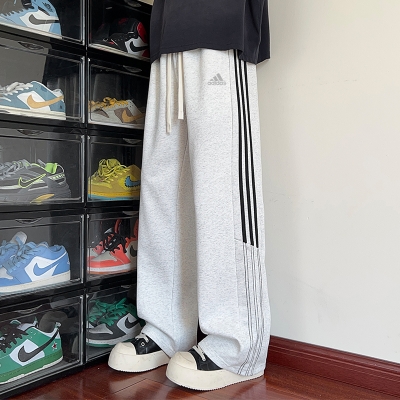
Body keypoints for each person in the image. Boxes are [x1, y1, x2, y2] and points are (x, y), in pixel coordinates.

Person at [108, 0, 272, 391]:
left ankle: (237, 345)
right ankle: (167, 327)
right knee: (162, 189)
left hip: (222, 26)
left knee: (223, 190)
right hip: (169, 32)